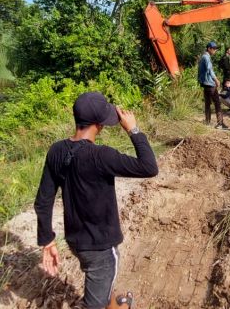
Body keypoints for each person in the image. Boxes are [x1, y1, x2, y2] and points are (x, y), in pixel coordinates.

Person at [34, 92, 158, 309]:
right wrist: (134, 130)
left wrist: (47, 241)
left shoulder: (56, 151)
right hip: (100, 248)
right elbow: (149, 167)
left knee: (102, 287)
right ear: (99, 125)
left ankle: (114, 302)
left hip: (75, 242)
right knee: (95, 303)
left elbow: (43, 201)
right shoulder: (101, 156)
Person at [198, 41, 227, 129]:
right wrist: (216, 80)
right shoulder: (206, 57)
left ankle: (207, 121)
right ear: (209, 48)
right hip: (210, 84)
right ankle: (220, 123)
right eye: (213, 49)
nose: (215, 50)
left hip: (205, 84)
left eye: (215, 49)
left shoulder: (203, 57)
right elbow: (210, 70)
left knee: (207, 103)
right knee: (217, 103)